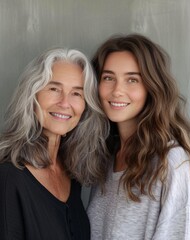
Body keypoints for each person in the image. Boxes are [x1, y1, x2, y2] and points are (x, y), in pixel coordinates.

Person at [87, 34, 190, 240]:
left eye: (132, 80)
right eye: (108, 78)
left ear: (151, 87)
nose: (117, 91)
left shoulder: (171, 161)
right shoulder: (106, 156)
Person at [0, 48, 109, 240]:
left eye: (77, 93)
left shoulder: (72, 172)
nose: (65, 103)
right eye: (54, 89)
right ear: (32, 96)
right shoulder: (9, 176)